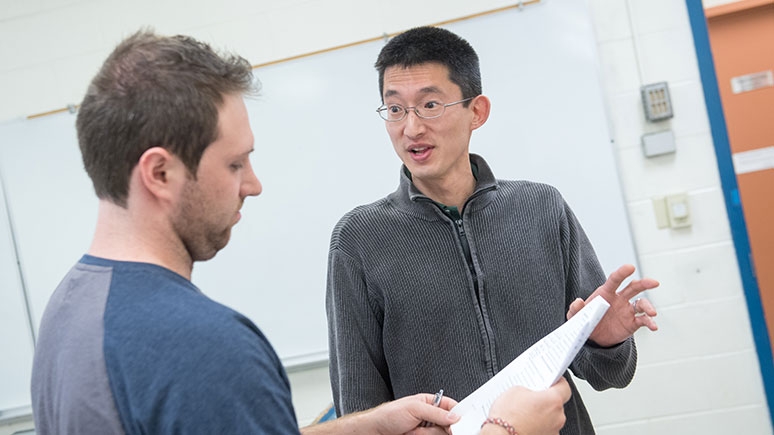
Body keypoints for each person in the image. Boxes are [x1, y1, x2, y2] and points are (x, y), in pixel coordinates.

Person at [30, 29, 573, 435]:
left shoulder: (70, 308)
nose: (254, 185)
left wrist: (368, 424)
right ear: (160, 173)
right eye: (236, 164)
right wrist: (504, 430)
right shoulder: (206, 350)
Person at [326, 26, 660, 435]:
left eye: (429, 105)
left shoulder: (541, 208)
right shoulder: (359, 240)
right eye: (394, 109)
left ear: (477, 111)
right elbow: (360, 411)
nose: (410, 128)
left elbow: (609, 375)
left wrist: (604, 342)